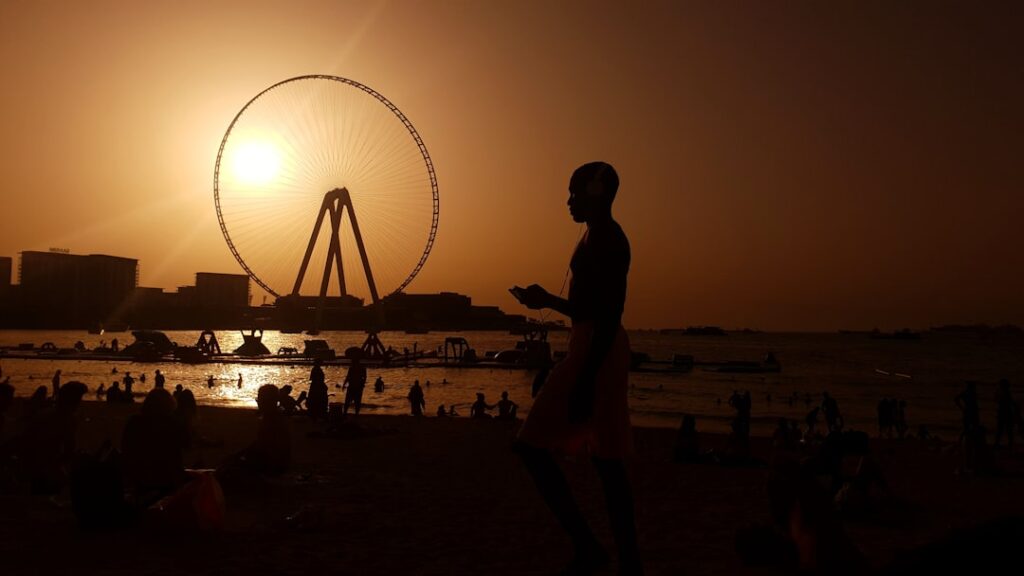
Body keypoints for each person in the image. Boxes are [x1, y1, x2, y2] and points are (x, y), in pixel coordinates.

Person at [510, 162, 641, 575]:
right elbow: (590, 309)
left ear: (597, 191)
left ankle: (594, 549)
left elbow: (610, 313)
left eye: (574, 193)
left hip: (597, 350)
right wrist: (547, 300)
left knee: (532, 447)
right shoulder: (593, 236)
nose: (568, 201)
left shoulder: (609, 240)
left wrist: (584, 377)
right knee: (607, 463)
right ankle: (619, 558)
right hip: (590, 346)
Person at [122, 389, 189, 504]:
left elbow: (125, 446)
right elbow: (185, 445)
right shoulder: (172, 423)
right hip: (166, 477)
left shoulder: (134, 422)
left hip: (139, 475)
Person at [21, 381, 88, 494]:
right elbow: (68, 450)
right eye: (78, 399)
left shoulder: (46, 414)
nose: (80, 403)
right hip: (43, 468)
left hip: (36, 465)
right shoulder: (66, 419)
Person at [342, 350, 367, 416]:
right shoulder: (361, 368)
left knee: (349, 401)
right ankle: (354, 413)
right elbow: (364, 377)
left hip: (354, 386)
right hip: (356, 386)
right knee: (356, 401)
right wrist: (362, 384)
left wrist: (344, 385)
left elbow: (348, 377)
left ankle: (346, 413)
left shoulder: (354, 368)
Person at [994, 379, 1015, 448]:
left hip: (1002, 412)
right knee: (1008, 429)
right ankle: (1009, 443)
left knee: (1001, 428)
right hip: (1006, 413)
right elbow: (1010, 403)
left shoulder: (1001, 393)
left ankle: (998, 443)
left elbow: (997, 401)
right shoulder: (1006, 393)